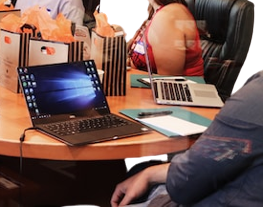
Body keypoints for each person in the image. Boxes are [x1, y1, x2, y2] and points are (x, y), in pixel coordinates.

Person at [111, 69, 263, 206]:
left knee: (119, 184)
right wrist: (149, 174)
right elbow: (221, 159)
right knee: (137, 170)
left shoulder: (256, 96)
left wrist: (149, 174)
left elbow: (183, 186)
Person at [128, 0, 204, 76]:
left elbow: (168, 82)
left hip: (178, 87)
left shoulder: (168, 17)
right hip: (148, 83)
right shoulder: (157, 12)